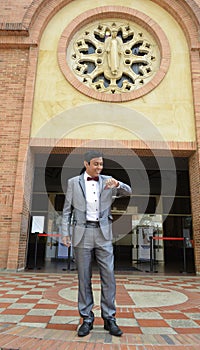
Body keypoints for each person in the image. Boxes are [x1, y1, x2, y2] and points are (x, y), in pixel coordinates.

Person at [61, 150, 132, 337]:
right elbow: (67, 210)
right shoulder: (73, 183)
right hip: (81, 234)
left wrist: (118, 183)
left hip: (104, 234)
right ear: (86, 164)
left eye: (101, 164)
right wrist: (65, 233)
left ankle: (110, 318)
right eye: (96, 164)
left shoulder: (108, 180)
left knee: (108, 276)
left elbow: (128, 192)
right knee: (83, 278)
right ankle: (86, 318)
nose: (99, 167)